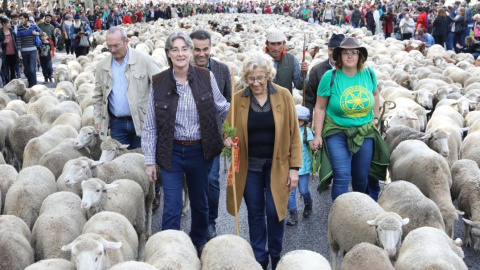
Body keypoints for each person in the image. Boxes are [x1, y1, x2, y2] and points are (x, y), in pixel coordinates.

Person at [142, 32, 229, 257]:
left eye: (184, 49)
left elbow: (221, 106)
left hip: (199, 150)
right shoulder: (159, 82)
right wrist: (150, 161)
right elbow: (150, 125)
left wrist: (243, 109)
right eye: (175, 49)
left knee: (200, 201)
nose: (180, 54)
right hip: (171, 150)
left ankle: (199, 242)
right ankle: (170, 248)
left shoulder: (205, 76)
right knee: (172, 204)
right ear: (168, 54)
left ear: (190, 52)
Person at [223, 52, 301, 270]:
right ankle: (260, 257)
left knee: (274, 211)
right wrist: (227, 138)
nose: (256, 83)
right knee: (255, 212)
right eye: (251, 78)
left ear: (269, 75)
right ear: (245, 79)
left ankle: (276, 255)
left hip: (278, 164)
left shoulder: (284, 96)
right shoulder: (239, 99)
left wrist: (294, 168)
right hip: (250, 165)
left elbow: (294, 133)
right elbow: (227, 128)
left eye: (260, 78)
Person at [311, 37, 389, 202]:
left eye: (354, 52)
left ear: (360, 56)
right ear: (339, 56)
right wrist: (317, 134)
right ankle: (339, 215)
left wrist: (375, 118)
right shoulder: (329, 76)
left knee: (361, 176)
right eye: (345, 52)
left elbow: (375, 95)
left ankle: (358, 211)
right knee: (342, 175)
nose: (350, 56)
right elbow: (320, 107)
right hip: (337, 131)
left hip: (364, 131)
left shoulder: (368, 74)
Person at [189, 29, 232, 241]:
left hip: (213, 134)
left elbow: (227, 102)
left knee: (212, 180)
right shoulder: (180, 68)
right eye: (196, 49)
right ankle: (198, 222)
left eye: (205, 49)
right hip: (187, 136)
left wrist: (226, 132)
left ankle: (210, 221)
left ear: (210, 48)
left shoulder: (222, 70)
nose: (201, 53)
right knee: (194, 180)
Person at [93, 26, 160, 152]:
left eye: (116, 46)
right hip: (117, 124)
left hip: (142, 121)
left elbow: (161, 87)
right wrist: (98, 118)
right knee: (120, 164)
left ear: (126, 42)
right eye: (109, 46)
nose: (112, 50)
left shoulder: (144, 60)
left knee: (143, 160)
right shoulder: (103, 66)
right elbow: (98, 95)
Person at [305, 33, 345, 120]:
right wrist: (307, 119)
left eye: (337, 50)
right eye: (331, 49)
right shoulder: (317, 70)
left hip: (345, 118)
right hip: (323, 119)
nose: (333, 53)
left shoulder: (350, 71)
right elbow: (309, 98)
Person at [286, 105, 314, 226]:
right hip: (289, 167)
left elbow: (313, 146)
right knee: (290, 192)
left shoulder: (306, 132)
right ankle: (293, 214)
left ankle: (308, 204)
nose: (297, 122)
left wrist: (316, 144)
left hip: (304, 167)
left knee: (303, 190)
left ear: (304, 121)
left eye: (300, 120)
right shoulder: (286, 131)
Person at [265, 28, 308, 94]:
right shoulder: (261, 61)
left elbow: (299, 86)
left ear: (284, 43)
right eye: (272, 44)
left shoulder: (292, 60)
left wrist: (303, 74)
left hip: (285, 102)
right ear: (267, 44)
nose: (276, 48)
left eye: (279, 44)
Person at [16, 12, 42, 87]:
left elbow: (41, 32)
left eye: (22, 19)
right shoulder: (19, 28)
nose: (20, 20)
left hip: (32, 50)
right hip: (24, 51)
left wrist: (36, 33)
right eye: (20, 19)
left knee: (32, 69)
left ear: (26, 18)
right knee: (27, 70)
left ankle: (33, 85)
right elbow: (18, 40)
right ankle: (30, 80)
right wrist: (19, 51)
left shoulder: (33, 26)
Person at [0, 17, 18, 84]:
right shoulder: (0, 32)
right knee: (5, 69)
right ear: (4, 24)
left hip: (13, 53)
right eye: (8, 23)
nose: (9, 24)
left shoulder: (12, 31)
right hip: (4, 54)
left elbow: (16, 41)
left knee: (13, 68)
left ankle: (12, 82)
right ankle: (7, 82)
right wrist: (3, 42)